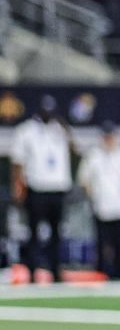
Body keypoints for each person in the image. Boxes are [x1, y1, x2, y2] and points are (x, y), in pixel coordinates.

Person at [15, 96, 74, 282]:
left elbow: (75, 150)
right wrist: (18, 186)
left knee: (57, 233)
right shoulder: (26, 131)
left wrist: (66, 128)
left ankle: (55, 270)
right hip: (37, 187)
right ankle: (32, 271)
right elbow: (17, 162)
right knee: (34, 233)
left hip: (57, 187)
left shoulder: (60, 130)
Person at [78, 121, 120, 279]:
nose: (109, 139)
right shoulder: (94, 155)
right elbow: (84, 180)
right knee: (102, 243)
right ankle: (101, 273)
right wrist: (93, 197)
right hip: (102, 206)